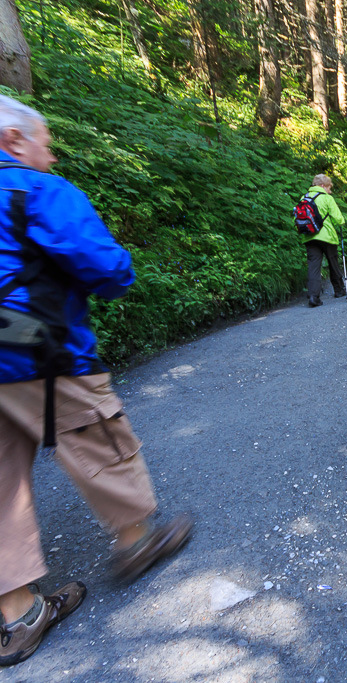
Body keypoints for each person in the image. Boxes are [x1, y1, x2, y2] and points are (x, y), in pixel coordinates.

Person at [0, 94, 192, 666]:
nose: (50, 157)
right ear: (13, 141)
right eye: (45, 144)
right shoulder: (35, 191)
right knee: (99, 436)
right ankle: (136, 540)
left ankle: (17, 611)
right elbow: (107, 267)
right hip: (39, 352)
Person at [301, 174, 347, 307]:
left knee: (314, 266)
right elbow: (338, 219)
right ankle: (339, 290)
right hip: (327, 237)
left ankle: (313, 297)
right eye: (329, 187)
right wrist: (341, 222)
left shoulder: (304, 198)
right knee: (333, 262)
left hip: (309, 237)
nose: (330, 191)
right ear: (322, 186)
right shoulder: (327, 198)